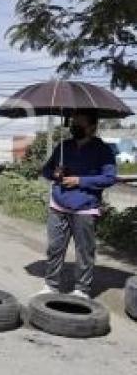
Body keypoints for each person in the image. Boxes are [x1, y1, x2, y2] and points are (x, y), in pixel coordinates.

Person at [40, 110, 116, 299]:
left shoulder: (103, 150)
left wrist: (80, 181)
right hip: (58, 205)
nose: (75, 126)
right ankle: (51, 285)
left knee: (84, 251)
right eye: (74, 122)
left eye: (80, 123)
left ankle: (82, 290)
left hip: (85, 208)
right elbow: (46, 170)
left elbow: (109, 178)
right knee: (55, 248)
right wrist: (55, 174)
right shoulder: (63, 147)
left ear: (92, 127)